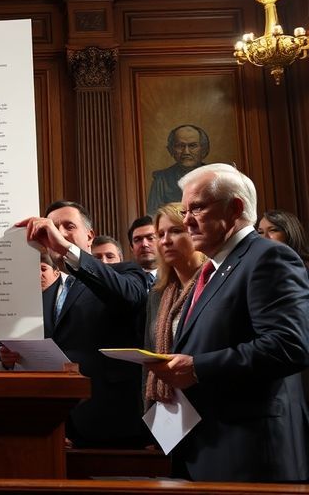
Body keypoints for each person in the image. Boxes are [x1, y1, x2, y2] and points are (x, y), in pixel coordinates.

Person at [146, 163, 309, 482]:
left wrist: (197, 368)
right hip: (209, 448)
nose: (187, 219)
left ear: (235, 207)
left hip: (252, 455)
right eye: (184, 209)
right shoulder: (216, 269)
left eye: (197, 207)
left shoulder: (268, 258)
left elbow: (289, 346)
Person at [3, 200, 148, 447]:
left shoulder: (126, 272)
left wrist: (65, 248)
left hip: (113, 424)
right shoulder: (45, 292)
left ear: (89, 236)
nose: (58, 233)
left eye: (68, 226)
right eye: (52, 227)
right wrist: (14, 359)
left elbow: (130, 296)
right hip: (60, 427)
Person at [143, 203, 205, 408]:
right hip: (169, 407)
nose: (166, 241)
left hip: (209, 402)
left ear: (195, 232)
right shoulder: (157, 294)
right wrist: (149, 421)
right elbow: (149, 359)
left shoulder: (214, 283)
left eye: (176, 231)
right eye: (160, 234)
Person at [147, 125, 209, 215]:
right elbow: (153, 216)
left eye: (192, 146)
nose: (186, 152)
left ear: (203, 149)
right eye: (180, 146)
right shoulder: (161, 180)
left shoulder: (216, 177)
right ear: (171, 150)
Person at [128, 216, 158, 286]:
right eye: (137, 240)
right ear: (131, 248)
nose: (144, 244)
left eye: (150, 238)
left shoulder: (175, 277)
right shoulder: (126, 281)